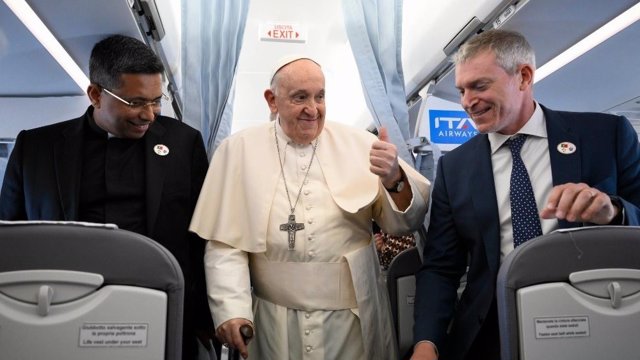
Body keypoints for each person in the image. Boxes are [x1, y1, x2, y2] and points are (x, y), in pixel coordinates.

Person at [411, 29, 640, 360]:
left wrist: (615, 213)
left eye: (479, 86)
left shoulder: (605, 136)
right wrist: (426, 343)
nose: (466, 101)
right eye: (462, 90)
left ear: (523, 77)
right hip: (491, 331)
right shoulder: (456, 168)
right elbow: (441, 268)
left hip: (594, 318)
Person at [189, 56, 431, 360]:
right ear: (272, 100)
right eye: (300, 97)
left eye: (320, 96)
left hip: (352, 319)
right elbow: (225, 244)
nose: (313, 109)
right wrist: (231, 311)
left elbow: (404, 223)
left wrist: (395, 179)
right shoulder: (238, 151)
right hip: (273, 320)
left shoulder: (360, 144)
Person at [0, 34, 215, 359]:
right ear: (96, 95)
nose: (150, 115)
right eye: (136, 102)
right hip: (61, 309)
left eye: (156, 100)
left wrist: (206, 317)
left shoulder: (183, 145)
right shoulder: (38, 149)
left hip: (158, 307)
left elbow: (201, 237)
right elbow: (12, 241)